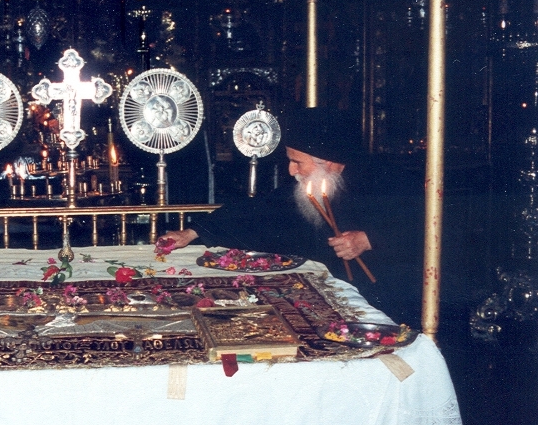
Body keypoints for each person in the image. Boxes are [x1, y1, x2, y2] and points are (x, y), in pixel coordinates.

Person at [160, 106, 424, 323]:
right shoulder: (309, 187)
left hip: (389, 302)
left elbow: (425, 227)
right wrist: (192, 232)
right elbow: (255, 211)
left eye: (297, 162)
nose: (290, 171)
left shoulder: (389, 181)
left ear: (328, 162)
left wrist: (369, 239)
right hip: (330, 299)